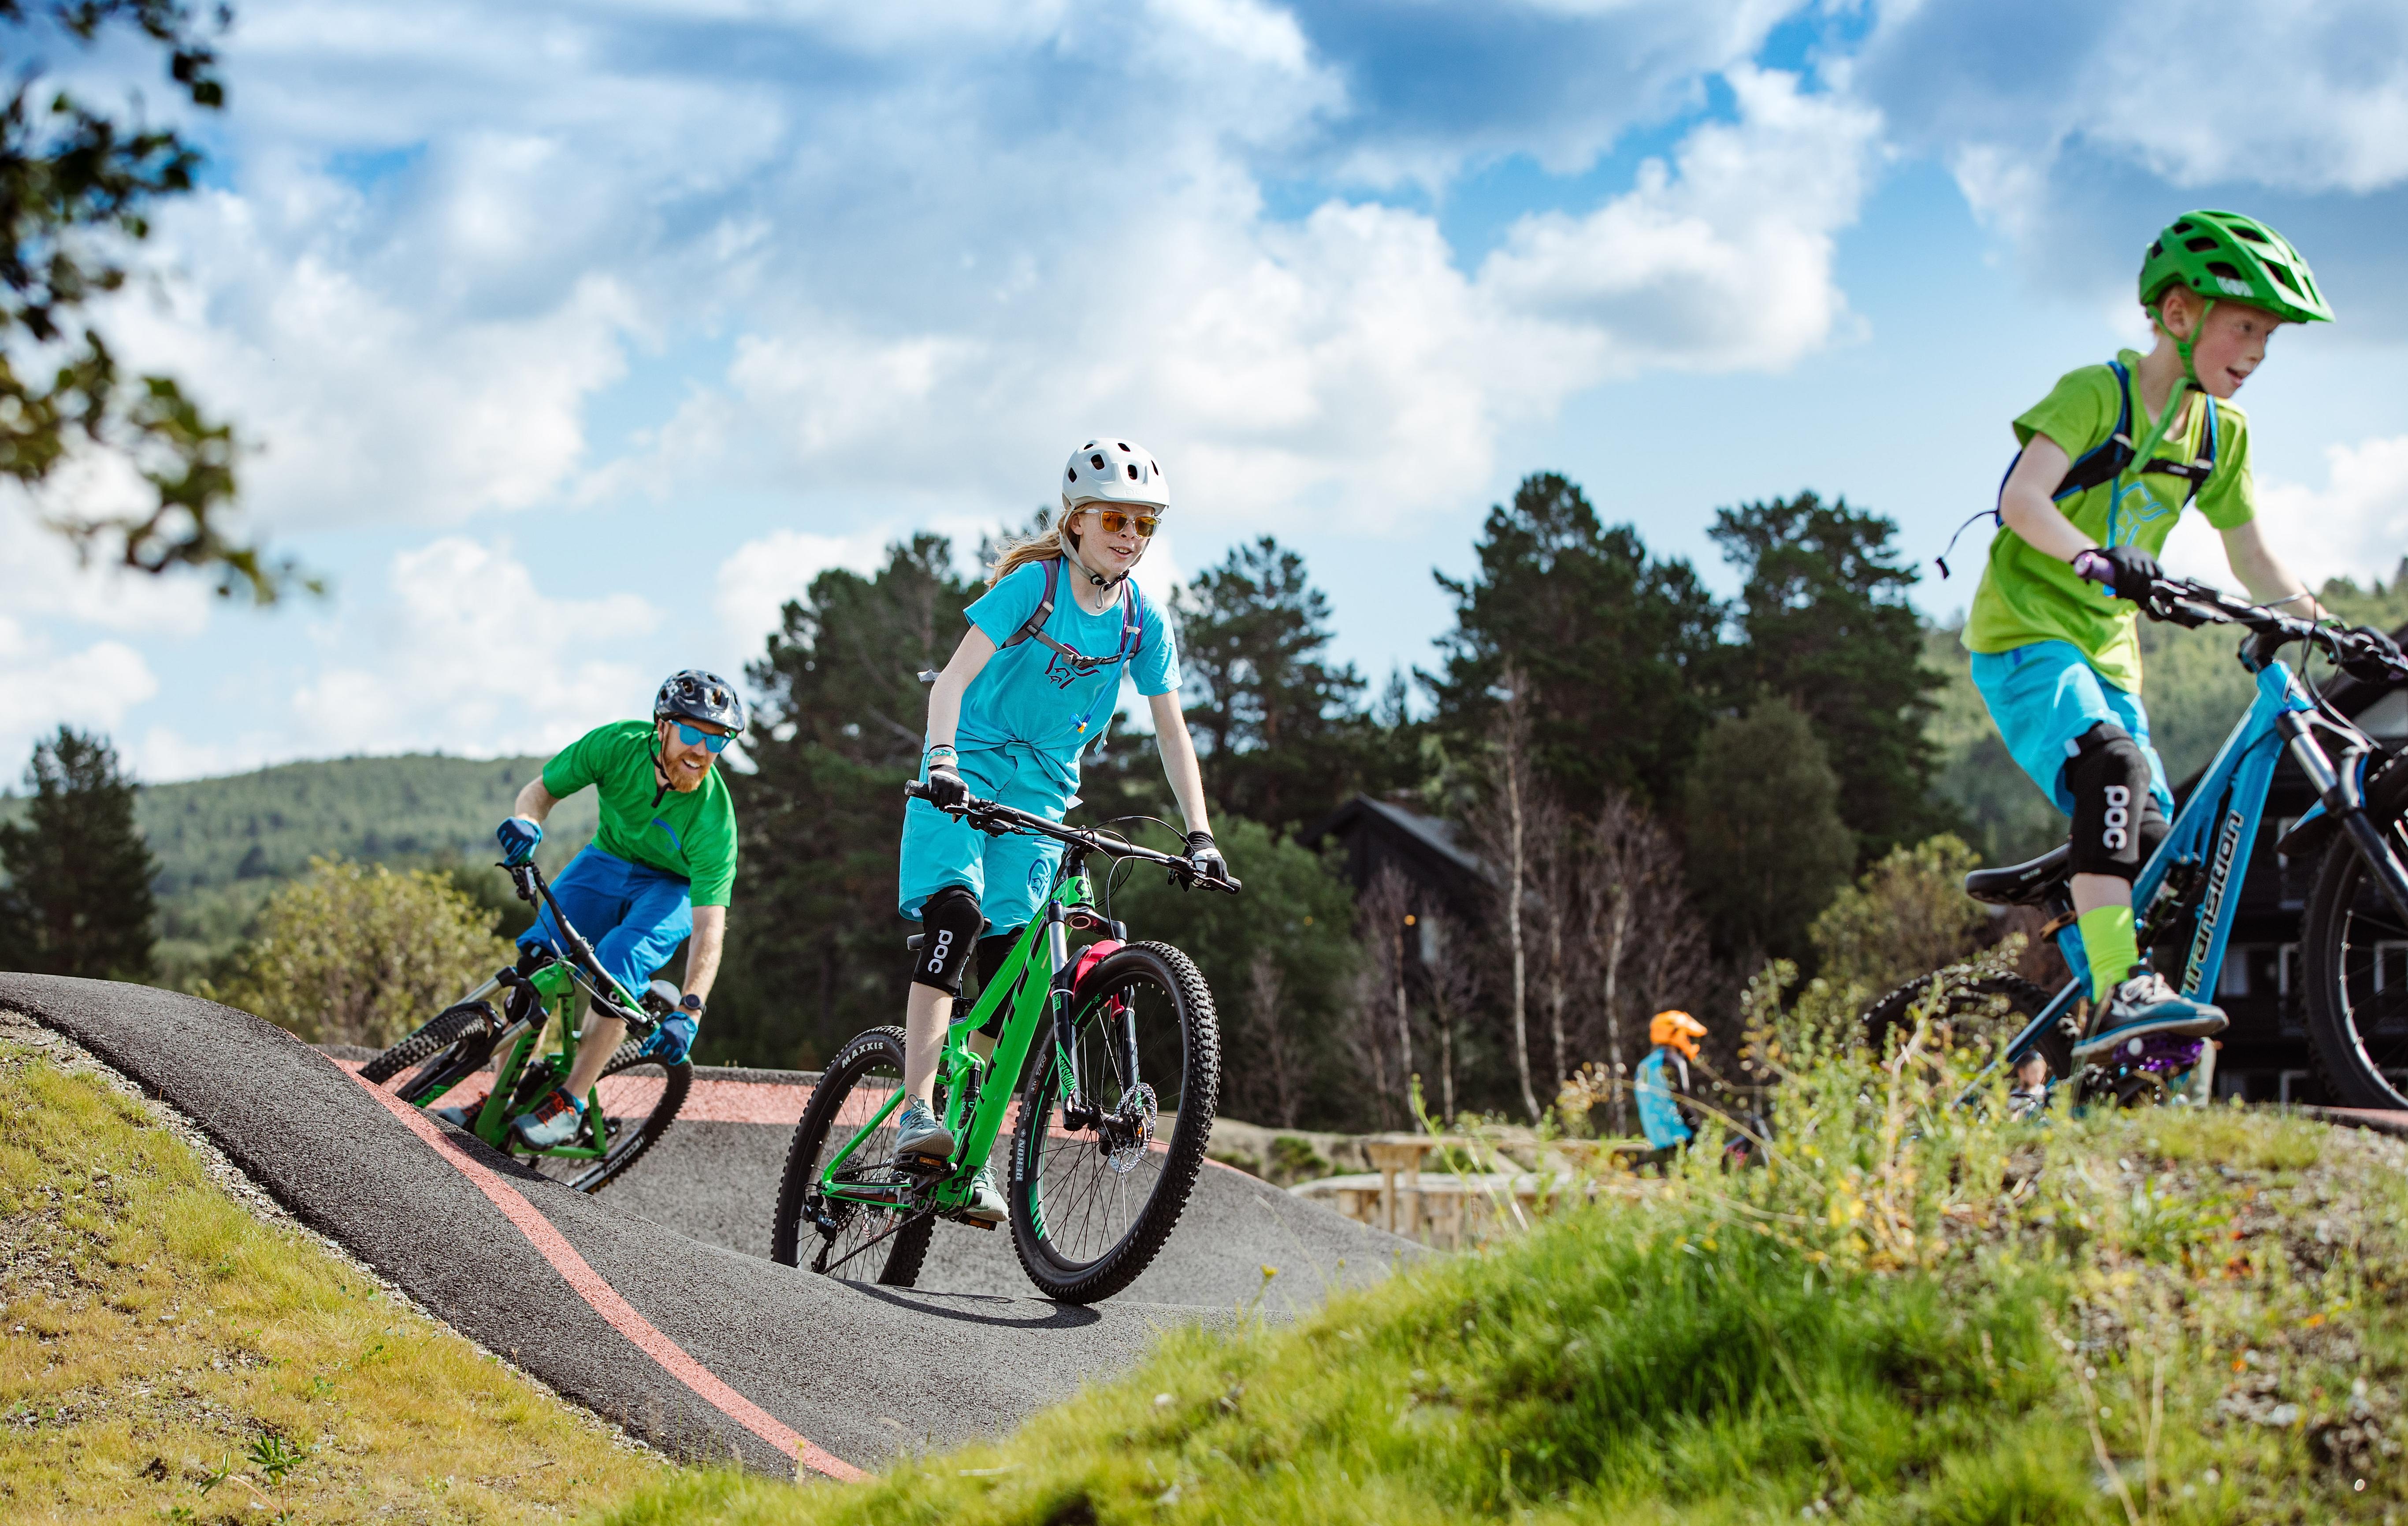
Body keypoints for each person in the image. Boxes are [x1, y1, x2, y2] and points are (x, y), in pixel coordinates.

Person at [1962, 210, 2383, 1098]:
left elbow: (2252, 558)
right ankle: (2118, 991)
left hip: (2110, 657)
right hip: (2027, 637)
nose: (2257, 353)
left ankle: (2102, 1025)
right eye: (2244, 328)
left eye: (2268, 339)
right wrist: (2088, 554)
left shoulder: (2218, 436)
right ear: (2180, 313)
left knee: (2155, 849)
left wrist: (2327, 625)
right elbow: (2018, 499)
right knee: (2110, 763)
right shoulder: (2095, 394)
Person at [894, 438, 1226, 1224]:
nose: (1130, 535)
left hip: (1042, 799)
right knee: (958, 914)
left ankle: (966, 1135)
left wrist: (1200, 833)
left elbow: (1171, 735)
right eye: (1115, 518)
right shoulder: (1031, 588)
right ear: (1076, 521)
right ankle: (915, 1106)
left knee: (1018, 995)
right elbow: (949, 681)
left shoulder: (1143, 622)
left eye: (1144, 524)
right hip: (965, 775)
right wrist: (941, 759)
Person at [463, 669, 744, 1149]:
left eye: (718, 740)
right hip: (607, 859)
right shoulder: (616, 746)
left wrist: (691, 1009)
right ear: (662, 725)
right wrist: (526, 822)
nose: (702, 752)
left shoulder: (714, 818)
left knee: (618, 963)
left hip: (670, 888)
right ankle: (498, 1096)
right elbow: (540, 791)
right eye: (694, 733)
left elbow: (709, 929)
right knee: (535, 960)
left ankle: (572, 1100)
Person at [1635, 1009, 1707, 1152]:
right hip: (1679, 1136)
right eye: (1686, 1035)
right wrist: (1699, 1132)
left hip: (1657, 1139)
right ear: (1676, 1035)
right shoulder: (1673, 1061)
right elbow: (1682, 1101)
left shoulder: (1645, 1065)